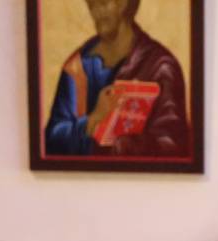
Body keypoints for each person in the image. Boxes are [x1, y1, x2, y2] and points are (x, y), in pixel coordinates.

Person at [44, 0, 190, 158]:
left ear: (124, 3)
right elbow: (52, 140)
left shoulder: (160, 66)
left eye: (103, 3)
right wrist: (93, 120)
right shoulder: (78, 66)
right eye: (91, 5)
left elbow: (174, 143)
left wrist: (125, 144)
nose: (96, 13)